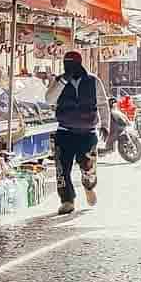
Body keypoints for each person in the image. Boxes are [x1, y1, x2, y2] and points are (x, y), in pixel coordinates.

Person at [45, 50, 109, 214]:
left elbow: (102, 104)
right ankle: (67, 200)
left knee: (88, 167)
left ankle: (89, 187)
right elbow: (49, 100)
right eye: (66, 64)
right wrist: (62, 81)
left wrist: (105, 125)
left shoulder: (93, 81)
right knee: (62, 169)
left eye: (72, 64)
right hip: (64, 131)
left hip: (87, 133)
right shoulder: (59, 80)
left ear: (80, 64)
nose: (69, 68)